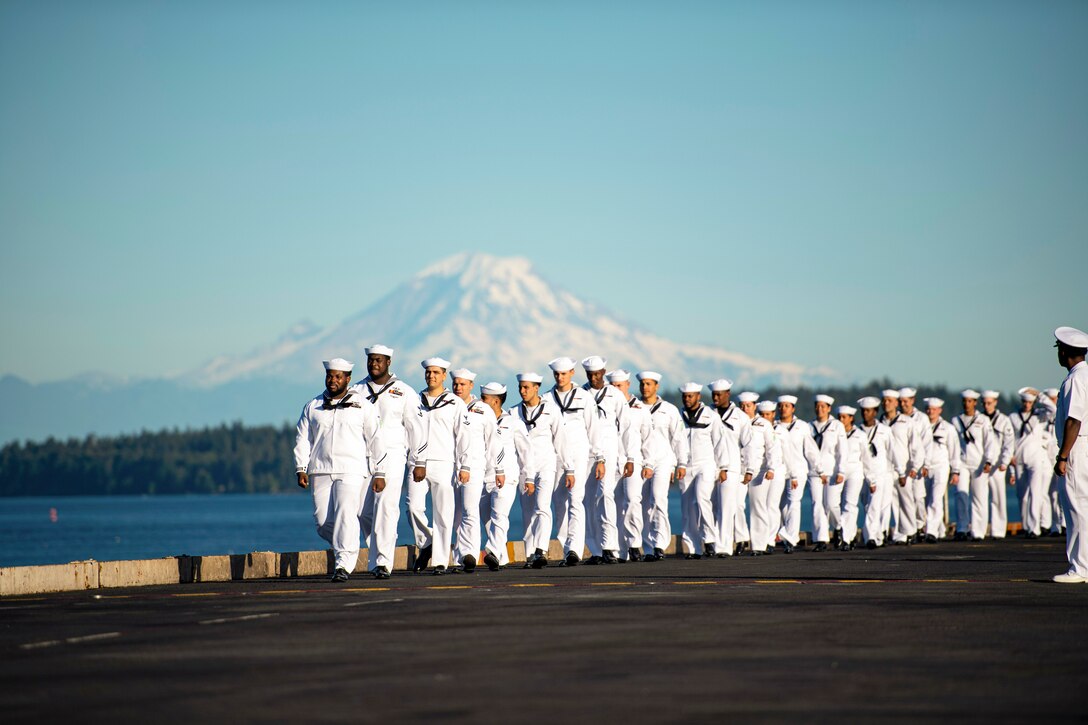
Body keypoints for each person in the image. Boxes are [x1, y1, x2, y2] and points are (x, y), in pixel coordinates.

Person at [294, 358, 387, 582]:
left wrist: (380, 471)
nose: (333, 380)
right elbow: (303, 438)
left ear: (347, 379)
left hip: (352, 469)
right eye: (330, 376)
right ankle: (348, 542)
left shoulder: (363, 405)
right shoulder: (313, 406)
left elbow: (376, 439)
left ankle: (343, 565)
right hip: (321, 469)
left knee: (346, 513)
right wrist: (301, 467)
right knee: (323, 521)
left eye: (338, 376)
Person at [351, 344, 420, 579]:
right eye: (371, 360)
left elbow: (415, 427)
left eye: (378, 360)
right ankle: (381, 546)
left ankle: (382, 561)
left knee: (387, 507)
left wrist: (418, 460)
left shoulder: (404, 391)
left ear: (388, 362)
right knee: (362, 510)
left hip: (392, 454)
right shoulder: (357, 390)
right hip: (364, 455)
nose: (374, 364)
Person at [410, 357, 470, 575]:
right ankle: (427, 543)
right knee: (413, 507)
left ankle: (441, 562)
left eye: (436, 372)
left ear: (444, 375)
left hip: (444, 463)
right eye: (428, 372)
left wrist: (464, 466)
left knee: (443, 514)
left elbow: (463, 436)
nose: (431, 376)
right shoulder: (414, 400)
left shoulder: (455, 403)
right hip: (417, 463)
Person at [547, 357, 605, 567]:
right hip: (556, 455)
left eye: (563, 374)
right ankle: (565, 547)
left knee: (576, 500)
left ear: (572, 373)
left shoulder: (584, 397)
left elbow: (594, 428)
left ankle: (574, 549)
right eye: (556, 374)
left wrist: (600, 457)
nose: (560, 377)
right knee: (559, 502)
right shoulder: (547, 398)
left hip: (579, 453)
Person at [514, 372, 574, 569]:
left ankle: (541, 550)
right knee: (527, 511)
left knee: (542, 506)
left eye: (526, 387)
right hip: (524, 469)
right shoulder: (514, 412)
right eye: (520, 387)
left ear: (536, 388)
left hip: (547, 464)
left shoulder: (551, 410)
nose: (522, 391)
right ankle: (531, 553)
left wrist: (569, 468)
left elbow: (561, 440)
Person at [450, 368, 501, 573]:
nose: (458, 388)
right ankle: (457, 558)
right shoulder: (448, 405)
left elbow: (494, 441)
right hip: (451, 466)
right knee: (454, 514)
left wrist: (498, 469)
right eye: (456, 384)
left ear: (471, 386)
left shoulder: (482, 409)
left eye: (462, 384)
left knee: (470, 510)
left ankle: (469, 553)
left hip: (475, 467)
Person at [480, 382, 534, 571]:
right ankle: (500, 558)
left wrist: (529, 477)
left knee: (499, 514)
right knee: (487, 519)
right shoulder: (479, 421)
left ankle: (492, 551)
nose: (481, 401)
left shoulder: (513, 422)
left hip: (507, 477)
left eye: (484, 398)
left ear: (495, 401)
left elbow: (526, 451)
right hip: (483, 477)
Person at [639, 371, 688, 561]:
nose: (645, 387)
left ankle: (660, 543)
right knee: (642, 504)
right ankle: (647, 546)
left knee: (659, 499)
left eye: (649, 384)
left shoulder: (669, 409)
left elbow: (678, 438)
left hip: (663, 460)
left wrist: (681, 463)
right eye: (643, 384)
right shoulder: (634, 407)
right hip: (641, 460)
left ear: (656, 386)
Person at [581, 356, 626, 565]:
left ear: (603, 372)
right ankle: (595, 549)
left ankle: (610, 547)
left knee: (606, 494)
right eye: (589, 374)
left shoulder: (615, 395)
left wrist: (628, 457)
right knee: (587, 500)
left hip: (608, 449)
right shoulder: (580, 394)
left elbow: (626, 428)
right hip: (586, 449)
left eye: (597, 374)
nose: (593, 378)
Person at [1052, 326, 1088, 583]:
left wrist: (1063, 456)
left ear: (1065, 352)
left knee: (1076, 509)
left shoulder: (1076, 379)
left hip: (1078, 448)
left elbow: (1073, 420)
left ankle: (1079, 568)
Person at [608, 369, 655, 562]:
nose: (616, 390)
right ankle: (619, 549)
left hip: (633, 460)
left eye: (619, 386)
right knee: (613, 504)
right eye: (612, 386)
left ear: (627, 385)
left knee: (633, 500)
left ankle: (635, 544)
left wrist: (649, 462)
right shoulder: (604, 407)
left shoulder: (639, 408)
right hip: (612, 460)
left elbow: (648, 438)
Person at [677, 383, 728, 558]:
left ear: (698, 396)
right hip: (685, 466)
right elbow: (675, 442)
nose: (687, 399)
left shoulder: (711, 416)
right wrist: (678, 464)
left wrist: (723, 467)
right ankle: (693, 548)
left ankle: (709, 539)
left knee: (701, 498)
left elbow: (720, 442)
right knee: (687, 508)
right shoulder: (679, 416)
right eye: (685, 396)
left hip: (706, 464)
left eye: (690, 396)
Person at [775, 395, 820, 554]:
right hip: (781, 471)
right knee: (781, 506)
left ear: (793, 408)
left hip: (799, 471)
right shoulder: (774, 427)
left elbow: (810, 449)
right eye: (780, 406)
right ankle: (786, 534)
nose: (783, 409)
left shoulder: (801, 426)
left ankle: (791, 539)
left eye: (786, 406)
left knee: (794, 502)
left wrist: (818, 468)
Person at [710, 379, 750, 557]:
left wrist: (748, 469)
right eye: (713, 394)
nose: (716, 397)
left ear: (728, 394)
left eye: (719, 394)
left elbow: (749, 444)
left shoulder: (740, 416)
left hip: (732, 467)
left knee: (727, 507)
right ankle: (710, 542)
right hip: (711, 466)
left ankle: (724, 546)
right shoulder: (707, 413)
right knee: (711, 506)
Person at [880, 389, 922, 545]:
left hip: (903, 468)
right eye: (884, 400)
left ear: (896, 403)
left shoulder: (906, 422)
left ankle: (910, 531)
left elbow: (916, 446)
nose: (886, 403)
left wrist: (915, 466)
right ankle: (897, 533)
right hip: (886, 469)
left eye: (889, 400)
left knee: (906, 501)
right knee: (890, 502)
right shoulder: (880, 423)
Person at [918, 398, 960, 543]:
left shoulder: (948, 428)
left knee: (936, 499)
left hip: (941, 466)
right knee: (926, 499)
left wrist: (956, 471)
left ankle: (931, 531)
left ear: (940, 410)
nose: (931, 412)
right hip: (924, 467)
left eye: (934, 409)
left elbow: (954, 451)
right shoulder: (920, 427)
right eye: (928, 409)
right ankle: (938, 528)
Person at [808, 394, 847, 551]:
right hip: (814, 472)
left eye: (823, 406)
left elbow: (842, 451)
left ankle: (838, 527)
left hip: (832, 471)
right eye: (817, 406)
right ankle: (821, 539)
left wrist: (841, 470)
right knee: (817, 504)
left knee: (831, 504)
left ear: (829, 408)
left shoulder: (836, 425)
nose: (820, 409)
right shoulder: (809, 426)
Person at [1010, 388, 1048, 538]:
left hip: (1035, 458)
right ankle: (1026, 525)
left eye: (1030, 402)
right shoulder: (1013, 417)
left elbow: (1053, 409)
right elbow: (1010, 438)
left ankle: (1034, 527)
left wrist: (1039, 395)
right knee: (1022, 495)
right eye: (1025, 402)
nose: (1027, 405)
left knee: (1035, 492)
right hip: (1019, 459)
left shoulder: (1040, 415)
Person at [858, 397, 896, 549]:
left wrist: (899, 471)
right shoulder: (857, 431)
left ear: (875, 412)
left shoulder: (884, 431)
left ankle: (871, 537)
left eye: (868, 411)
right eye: (863, 411)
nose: (865, 414)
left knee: (877, 506)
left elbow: (892, 453)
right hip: (863, 473)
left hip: (880, 473)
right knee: (867, 505)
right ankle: (878, 535)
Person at [981, 390, 1015, 539]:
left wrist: (1005, 461)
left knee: (998, 498)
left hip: (997, 464)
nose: (986, 406)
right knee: (980, 498)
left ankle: (998, 530)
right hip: (982, 464)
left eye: (989, 403)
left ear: (995, 402)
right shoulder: (979, 419)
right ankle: (980, 530)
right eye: (984, 403)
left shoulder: (1004, 420)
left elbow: (1009, 443)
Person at [753, 400, 783, 554]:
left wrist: (794, 474)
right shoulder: (756, 426)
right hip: (760, 470)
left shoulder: (781, 429)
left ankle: (770, 539)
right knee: (761, 505)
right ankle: (763, 540)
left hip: (777, 471)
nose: (765, 417)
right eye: (762, 414)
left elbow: (789, 454)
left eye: (768, 414)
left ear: (773, 414)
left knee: (771, 505)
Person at [898, 387, 930, 531]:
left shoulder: (922, 418)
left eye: (905, 401)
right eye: (900, 401)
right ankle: (908, 529)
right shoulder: (896, 418)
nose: (902, 404)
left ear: (912, 401)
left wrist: (925, 464)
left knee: (918, 497)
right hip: (901, 464)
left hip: (917, 463)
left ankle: (920, 524)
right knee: (904, 499)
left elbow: (927, 442)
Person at [835, 405, 865, 550]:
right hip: (838, 470)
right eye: (839, 417)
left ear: (851, 418)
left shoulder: (860, 435)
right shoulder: (834, 433)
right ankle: (848, 533)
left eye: (844, 417)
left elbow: (866, 458)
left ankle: (846, 538)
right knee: (835, 504)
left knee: (850, 503)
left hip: (855, 471)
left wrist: (872, 478)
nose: (841, 420)